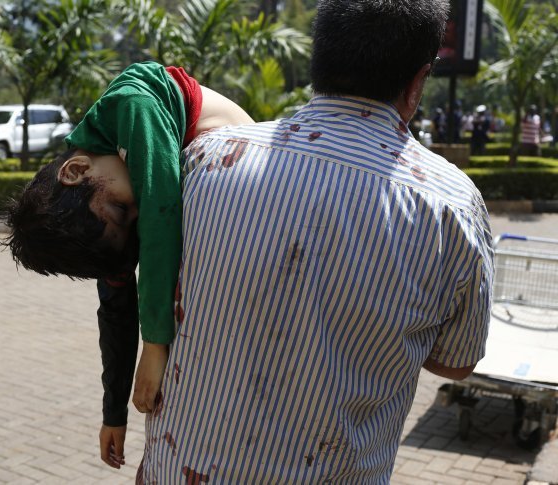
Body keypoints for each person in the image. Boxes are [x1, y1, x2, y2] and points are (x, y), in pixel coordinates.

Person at [131, 0, 492, 482]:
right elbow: (456, 362)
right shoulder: (453, 208)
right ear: (418, 81)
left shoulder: (206, 159)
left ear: (316, 63)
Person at [2, 61, 253, 469]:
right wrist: (113, 413)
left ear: (77, 170)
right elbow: (115, 311)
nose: (133, 216)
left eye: (120, 209)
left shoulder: (134, 105)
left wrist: (155, 345)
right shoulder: (108, 196)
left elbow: (160, 215)